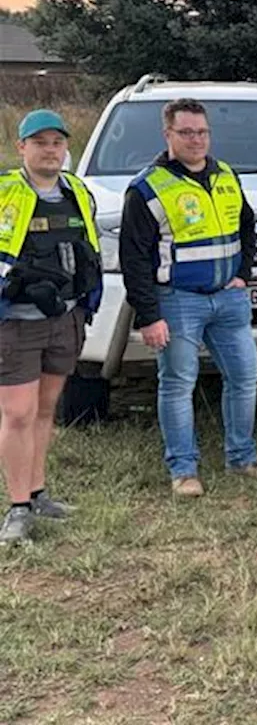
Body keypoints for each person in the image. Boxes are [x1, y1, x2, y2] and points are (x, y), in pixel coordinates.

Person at [121, 98, 257, 496]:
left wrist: (243, 275)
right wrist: (149, 315)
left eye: (202, 131)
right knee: (177, 384)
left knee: (245, 376)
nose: (196, 139)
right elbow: (134, 258)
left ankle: (242, 459)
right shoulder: (147, 188)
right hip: (178, 301)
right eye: (187, 132)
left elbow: (247, 226)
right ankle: (183, 471)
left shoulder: (225, 174)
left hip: (228, 300)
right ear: (168, 135)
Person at [0, 110, 101, 544]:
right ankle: (17, 507)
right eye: (39, 142)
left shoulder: (78, 191)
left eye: (57, 142)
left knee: (45, 409)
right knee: (17, 414)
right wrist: (20, 284)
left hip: (66, 318)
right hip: (17, 323)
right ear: (21, 147)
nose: (50, 150)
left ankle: (37, 492)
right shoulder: (5, 192)